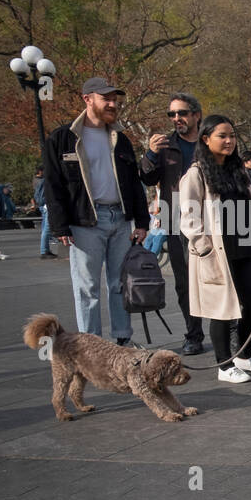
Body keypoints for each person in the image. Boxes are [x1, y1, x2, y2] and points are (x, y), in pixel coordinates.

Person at [41, 77, 147, 344]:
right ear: (87, 99)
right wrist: (59, 225)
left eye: (115, 99)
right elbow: (53, 184)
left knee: (119, 284)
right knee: (87, 288)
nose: (113, 104)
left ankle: (122, 339)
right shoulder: (63, 137)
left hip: (119, 218)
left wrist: (142, 221)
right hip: (84, 222)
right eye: (106, 99)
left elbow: (134, 183)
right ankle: (92, 345)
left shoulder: (120, 139)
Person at [180, 115, 251, 383]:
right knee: (221, 308)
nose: (229, 141)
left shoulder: (239, 171)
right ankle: (224, 366)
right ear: (206, 139)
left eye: (232, 136)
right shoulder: (197, 173)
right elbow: (188, 218)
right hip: (217, 251)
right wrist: (204, 248)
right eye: (222, 136)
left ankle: (244, 355)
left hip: (245, 246)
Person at [139, 92, 206, 354]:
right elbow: (146, 178)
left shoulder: (209, 141)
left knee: (218, 277)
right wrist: (151, 154)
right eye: (172, 114)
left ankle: (229, 331)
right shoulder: (165, 146)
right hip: (175, 219)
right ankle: (194, 335)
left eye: (182, 113)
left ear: (196, 115)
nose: (176, 118)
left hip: (212, 218)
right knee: (184, 283)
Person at [34, 168, 56, 259]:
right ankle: (44, 251)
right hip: (48, 206)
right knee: (47, 229)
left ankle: (46, 250)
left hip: (44, 205)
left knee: (46, 228)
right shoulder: (45, 181)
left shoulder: (39, 180)